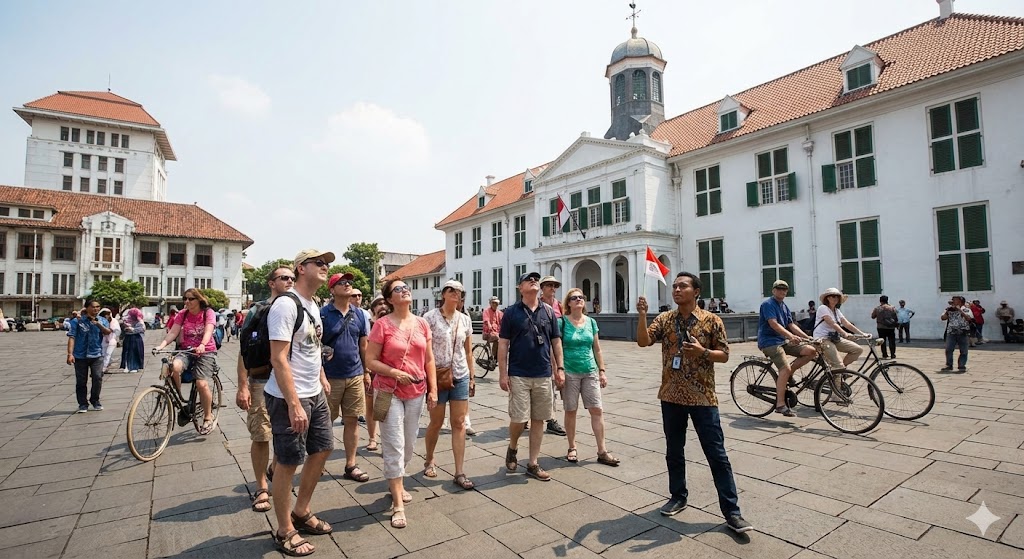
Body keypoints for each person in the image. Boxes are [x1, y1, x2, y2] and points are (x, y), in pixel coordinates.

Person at [635, 273, 752, 533]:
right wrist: (642, 315)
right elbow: (644, 341)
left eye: (682, 286)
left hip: (702, 398)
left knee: (717, 455)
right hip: (671, 395)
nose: (676, 289)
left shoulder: (712, 320)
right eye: (675, 286)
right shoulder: (665, 319)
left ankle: (732, 512)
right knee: (674, 451)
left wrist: (703, 352)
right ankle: (678, 496)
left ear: (696, 291)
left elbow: (724, 355)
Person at [263, 249, 335, 555]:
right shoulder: (285, 304)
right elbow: (278, 358)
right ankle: (284, 529)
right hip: (288, 396)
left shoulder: (313, 304)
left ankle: (301, 511)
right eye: (318, 263)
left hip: (313, 392)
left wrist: (320, 377)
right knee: (289, 461)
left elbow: (313, 347)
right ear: (300, 268)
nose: (324, 267)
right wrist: (293, 403)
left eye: (326, 263)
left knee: (323, 449)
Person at [366, 277, 437, 529]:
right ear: (389, 299)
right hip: (389, 391)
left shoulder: (422, 323)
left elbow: (429, 359)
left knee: (408, 444)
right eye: (398, 289)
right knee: (393, 444)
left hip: (417, 391)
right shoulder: (382, 325)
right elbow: (370, 361)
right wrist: (394, 373)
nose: (405, 290)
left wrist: (433, 389)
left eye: (406, 286)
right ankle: (398, 503)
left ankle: (397, 478)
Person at [236, 265, 294, 514]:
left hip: (289, 382)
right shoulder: (257, 310)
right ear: (272, 283)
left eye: (293, 277)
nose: (290, 281)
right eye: (284, 278)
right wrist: (242, 386)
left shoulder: (297, 308)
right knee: (260, 434)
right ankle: (261, 486)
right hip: (261, 379)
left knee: (287, 432)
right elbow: (243, 350)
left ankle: (273, 469)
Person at [498, 271, 564, 482]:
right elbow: (503, 344)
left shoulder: (548, 312)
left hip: (543, 373)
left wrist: (559, 368)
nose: (534, 281)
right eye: (529, 280)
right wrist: (502, 373)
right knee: (519, 418)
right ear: (520, 288)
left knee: (539, 419)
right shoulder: (511, 313)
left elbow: (555, 342)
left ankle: (533, 462)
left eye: (536, 279)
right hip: (518, 373)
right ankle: (513, 446)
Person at [423, 280, 476, 489]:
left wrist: (472, 376)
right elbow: (424, 351)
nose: (455, 294)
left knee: (459, 422)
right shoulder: (430, 318)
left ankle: (459, 471)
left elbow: (469, 351)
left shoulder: (465, 319)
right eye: (451, 290)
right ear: (443, 294)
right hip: (438, 375)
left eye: (459, 291)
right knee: (436, 422)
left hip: (460, 374)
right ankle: (429, 458)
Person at [320, 272, 371, 483]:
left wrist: (366, 372)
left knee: (352, 421)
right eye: (341, 283)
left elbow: (363, 345)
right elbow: (314, 345)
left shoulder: (359, 314)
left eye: (349, 282)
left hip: (355, 374)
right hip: (330, 376)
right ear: (332, 290)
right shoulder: (322, 314)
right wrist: (320, 375)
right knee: (324, 422)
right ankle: (318, 463)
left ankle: (351, 464)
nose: (347, 285)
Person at [560, 287, 618, 467]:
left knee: (597, 409)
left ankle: (602, 450)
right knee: (571, 410)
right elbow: (557, 347)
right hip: (570, 370)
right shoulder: (561, 322)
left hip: (590, 370)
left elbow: (597, 348)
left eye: (581, 297)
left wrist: (602, 370)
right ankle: (572, 447)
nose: (578, 299)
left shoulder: (591, 322)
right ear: (568, 303)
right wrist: (559, 370)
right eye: (574, 297)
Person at [154, 288, 219, 435]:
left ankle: (208, 417)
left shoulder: (208, 312)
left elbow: (209, 330)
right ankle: (179, 399)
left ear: (199, 300)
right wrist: (161, 346)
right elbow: (173, 332)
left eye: (191, 299)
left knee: (201, 383)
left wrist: (202, 344)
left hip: (206, 350)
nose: (187, 302)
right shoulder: (182, 314)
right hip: (187, 350)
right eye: (185, 298)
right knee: (174, 366)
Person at [757, 280, 816, 417]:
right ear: (773, 290)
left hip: (782, 340)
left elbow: (791, 324)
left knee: (811, 351)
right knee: (785, 368)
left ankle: (787, 375)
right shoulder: (768, 304)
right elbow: (774, 324)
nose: (782, 292)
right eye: (779, 289)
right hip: (769, 342)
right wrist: (790, 336)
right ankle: (780, 404)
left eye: (784, 290)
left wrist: (807, 337)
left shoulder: (784, 306)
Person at [67, 298, 112, 412]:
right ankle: (82, 403)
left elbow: (107, 332)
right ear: (87, 308)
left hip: (97, 354)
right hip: (80, 355)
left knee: (97, 377)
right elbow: (72, 337)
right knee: (81, 381)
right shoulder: (77, 321)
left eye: (98, 307)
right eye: (93, 307)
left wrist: (98, 324)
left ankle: (95, 400)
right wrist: (70, 354)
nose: (96, 309)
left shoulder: (102, 320)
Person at [813, 288, 870, 370]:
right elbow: (832, 323)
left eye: (837, 296)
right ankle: (838, 373)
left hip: (834, 338)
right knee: (838, 364)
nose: (836, 298)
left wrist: (862, 333)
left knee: (857, 350)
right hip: (823, 339)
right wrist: (844, 333)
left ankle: (839, 371)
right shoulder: (823, 308)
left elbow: (846, 323)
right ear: (828, 298)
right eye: (833, 296)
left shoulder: (836, 311)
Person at [539, 275, 567, 436]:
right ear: (542, 288)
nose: (552, 288)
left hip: (558, 348)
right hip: (543, 349)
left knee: (555, 384)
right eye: (549, 285)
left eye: (554, 285)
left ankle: (550, 418)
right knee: (546, 384)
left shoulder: (559, 306)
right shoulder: (538, 305)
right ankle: (550, 419)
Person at [363, 295, 389, 451]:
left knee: (384, 409)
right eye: (379, 304)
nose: (383, 306)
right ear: (373, 310)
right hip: (371, 371)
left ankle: (386, 442)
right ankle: (373, 438)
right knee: (370, 407)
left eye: (385, 303)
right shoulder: (368, 326)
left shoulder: (393, 323)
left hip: (387, 373)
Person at [941, 296, 973, 372]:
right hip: (951, 332)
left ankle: (961, 365)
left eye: (955, 300)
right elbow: (943, 318)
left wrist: (959, 310)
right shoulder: (948, 309)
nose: (953, 301)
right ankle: (949, 365)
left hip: (963, 332)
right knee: (948, 349)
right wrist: (947, 311)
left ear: (960, 302)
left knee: (963, 350)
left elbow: (969, 318)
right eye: (953, 300)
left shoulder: (966, 309)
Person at [120, 306, 146, 373]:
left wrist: (132, 329)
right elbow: (123, 329)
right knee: (126, 352)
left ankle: (135, 367)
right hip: (128, 338)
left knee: (135, 352)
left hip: (136, 338)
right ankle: (126, 366)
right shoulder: (126, 320)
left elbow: (142, 329)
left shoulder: (140, 321)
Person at [482, 296, 503, 367]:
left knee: (503, 340)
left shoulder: (499, 313)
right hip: (487, 332)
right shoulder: (486, 311)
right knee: (497, 338)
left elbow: (503, 321)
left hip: (496, 332)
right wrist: (489, 325)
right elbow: (486, 320)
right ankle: (494, 357)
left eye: (496, 303)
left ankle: (496, 356)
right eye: (493, 303)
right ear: (490, 303)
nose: (495, 305)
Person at [99, 308, 121, 373]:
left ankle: (104, 367)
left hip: (112, 339)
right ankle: (105, 366)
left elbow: (110, 331)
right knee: (103, 353)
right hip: (103, 339)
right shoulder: (101, 321)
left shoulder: (114, 321)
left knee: (108, 353)